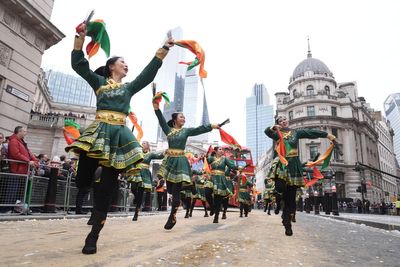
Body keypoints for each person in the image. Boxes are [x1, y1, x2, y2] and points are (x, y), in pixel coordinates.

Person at [66, 25, 174, 254]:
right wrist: (80, 38)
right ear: (111, 66)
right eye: (122, 61)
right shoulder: (99, 82)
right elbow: (78, 64)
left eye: (127, 62)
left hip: (118, 137)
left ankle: (93, 234)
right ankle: (88, 181)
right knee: (83, 179)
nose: (126, 65)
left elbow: (147, 74)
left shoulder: (128, 88)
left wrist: (163, 50)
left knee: (106, 188)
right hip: (97, 133)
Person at [265, 115, 335, 236]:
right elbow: (267, 132)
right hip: (281, 164)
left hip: (293, 165)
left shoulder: (295, 132)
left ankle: (287, 224)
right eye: (280, 121)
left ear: (288, 121)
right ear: (278, 123)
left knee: (291, 200)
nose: (283, 122)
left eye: (284, 120)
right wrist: (272, 127)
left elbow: (310, 132)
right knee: (280, 188)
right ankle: (278, 200)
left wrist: (327, 135)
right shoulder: (276, 133)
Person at [153, 102, 219, 230]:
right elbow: (161, 120)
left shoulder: (186, 131)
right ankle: (189, 184)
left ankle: (172, 216)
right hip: (170, 161)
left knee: (176, 191)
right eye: (181, 117)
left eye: (184, 117)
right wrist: (156, 108)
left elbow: (198, 129)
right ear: (174, 120)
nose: (184, 119)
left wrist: (211, 126)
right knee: (171, 190)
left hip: (180, 161)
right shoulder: (169, 131)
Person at [126, 141, 164, 221]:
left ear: (147, 146)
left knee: (140, 193)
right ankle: (136, 198)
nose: (142, 144)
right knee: (133, 188)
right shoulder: (138, 152)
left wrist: (166, 152)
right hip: (137, 171)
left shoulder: (150, 154)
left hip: (145, 173)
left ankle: (136, 213)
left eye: (144, 143)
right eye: (142, 143)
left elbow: (159, 156)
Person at [7, 126, 38, 212]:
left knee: (19, 191)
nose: (26, 133)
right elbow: (15, 154)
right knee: (12, 191)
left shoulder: (22, 142)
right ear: (19, 132)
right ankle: (6, 208)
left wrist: (35, 161)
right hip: (16, 170)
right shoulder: (13, 141)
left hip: (23, 171)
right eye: (24, 131)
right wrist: (28, 161)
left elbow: (29, 153)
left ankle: (16, 208)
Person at [208, 146, 237, 223]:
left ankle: (216, 216)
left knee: (218, 198)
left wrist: (238, 167)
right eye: (220, 149)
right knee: (207, 192)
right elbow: (205, 161)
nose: (222, 151)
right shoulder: (212, 158)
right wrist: (203, 157)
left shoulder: (225, 159)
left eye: (222, 150)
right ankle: (212, 207)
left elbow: (233, 166)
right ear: (216, 151)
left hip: (220, 179)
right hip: (212, 178)